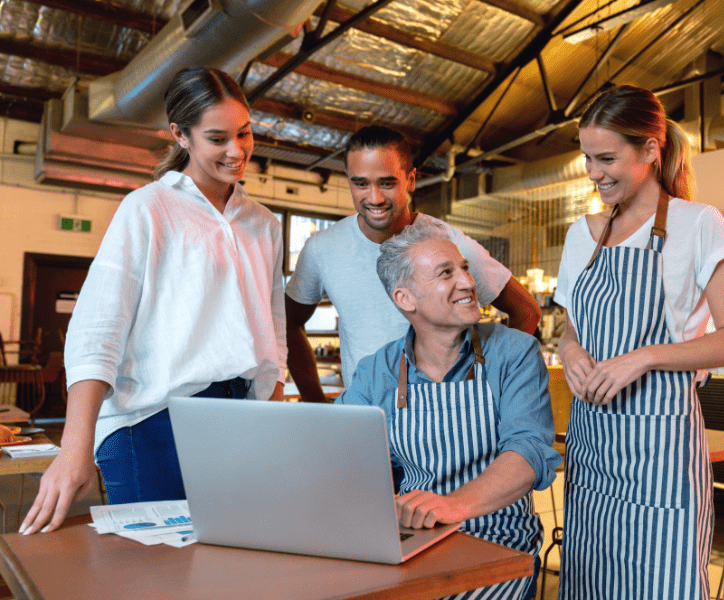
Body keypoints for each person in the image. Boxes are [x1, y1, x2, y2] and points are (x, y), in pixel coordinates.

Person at [20, 67, 287, 534]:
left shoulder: (262, 223)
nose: (236, 150)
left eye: (244, 133)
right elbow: (97, 332)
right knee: (152, 580)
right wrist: (74, 447)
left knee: (228, 573)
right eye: (217, 138)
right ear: (180, 136)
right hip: (151, 424)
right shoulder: (148, 208)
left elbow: (274, 331)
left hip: (241, 419)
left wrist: (274, 416)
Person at [554, 85, 724, 599]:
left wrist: (643, 358)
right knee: (591, 582)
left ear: (650, 149)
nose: (594, 173)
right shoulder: (583, 234)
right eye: (587, 159)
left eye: (606, 158)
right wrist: (570, 349)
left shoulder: (698, 224)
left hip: (661, 453)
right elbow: (571, 321)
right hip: (593, 446)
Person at [337, 218, 560, 599]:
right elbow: (340, 452)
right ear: (405, 299)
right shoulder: (378, 370)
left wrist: (453, 505)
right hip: (413, 540)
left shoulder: (513, 353)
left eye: (465, 269)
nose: (468, 283)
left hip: (498, 543)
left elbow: (528, 453)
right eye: (446, 273)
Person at [284, 125, 540, 403]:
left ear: (411, 180)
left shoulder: (449, 243)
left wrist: (495, 389)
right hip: (365, 416)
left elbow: (526, 310)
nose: (375, 198)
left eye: (387, 183)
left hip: (446, 414)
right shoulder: (322, 248)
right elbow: (288, 323)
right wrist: (314, 399)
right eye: (360, 183)